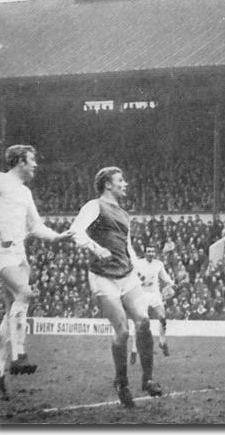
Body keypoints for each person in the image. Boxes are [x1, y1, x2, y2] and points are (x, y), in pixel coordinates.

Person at [70, 167, 163, 408]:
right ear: (108, 185)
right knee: (122, 330)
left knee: (143, 321)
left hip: (127, 274)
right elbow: (76, 231)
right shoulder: (94, 206)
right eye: (120, 180)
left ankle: (148, 379)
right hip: (103, 276)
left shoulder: (124, 214)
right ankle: (121, 382)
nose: (125, 183)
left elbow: (127, 245)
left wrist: (137, 266)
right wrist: (95, 248)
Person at [0, 145, 74, 399]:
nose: (36, 164)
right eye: (32, 160)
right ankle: (19, 355)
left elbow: (35, 225)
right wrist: (1, 231)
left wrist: (58, 236)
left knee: (13, 309)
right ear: (19, 161)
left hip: (18, 253)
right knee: (25, 293)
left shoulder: (25, 192)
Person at [130, 246, 176, 365]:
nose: (151, 253)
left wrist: (171, 282)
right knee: (139, 323)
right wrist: (139, 281)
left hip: (155, 294)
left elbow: (164, 276)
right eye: (149, 251)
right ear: (145, 253)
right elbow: (132, 276)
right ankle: (134, 350)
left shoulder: (158, 264)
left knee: (162, 317)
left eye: (152, 251)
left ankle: (162, 342)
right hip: (142, 294)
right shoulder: (138, 263)